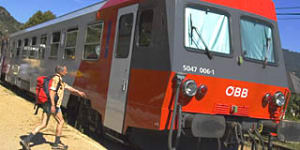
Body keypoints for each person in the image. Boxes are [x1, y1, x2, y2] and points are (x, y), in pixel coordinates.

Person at [20, 65, 87, 150]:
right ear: (61, 71)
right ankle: (56, 144)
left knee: (43, 124)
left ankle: (26, 140)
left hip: (47, 104)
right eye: (65, 71)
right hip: (53, 105)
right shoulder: (56, 79)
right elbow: (52, 92)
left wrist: (78, 92)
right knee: (61, 122)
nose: (66, 72)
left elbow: (67, 87)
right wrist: (52, 105)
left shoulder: (56, 79)